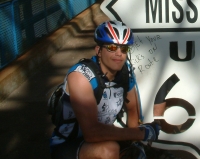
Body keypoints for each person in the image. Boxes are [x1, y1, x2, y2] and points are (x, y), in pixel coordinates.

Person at [49, 20, 160, 159]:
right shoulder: (81, 76)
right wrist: (141, 133)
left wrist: (135, 143)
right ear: (98, 51)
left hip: (103, 139)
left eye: (124, 48)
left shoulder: (126, 73)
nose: (119, 53)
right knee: (109, 150)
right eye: (112, 47)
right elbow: (92, 132)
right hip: (68, 144)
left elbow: (132, 111)